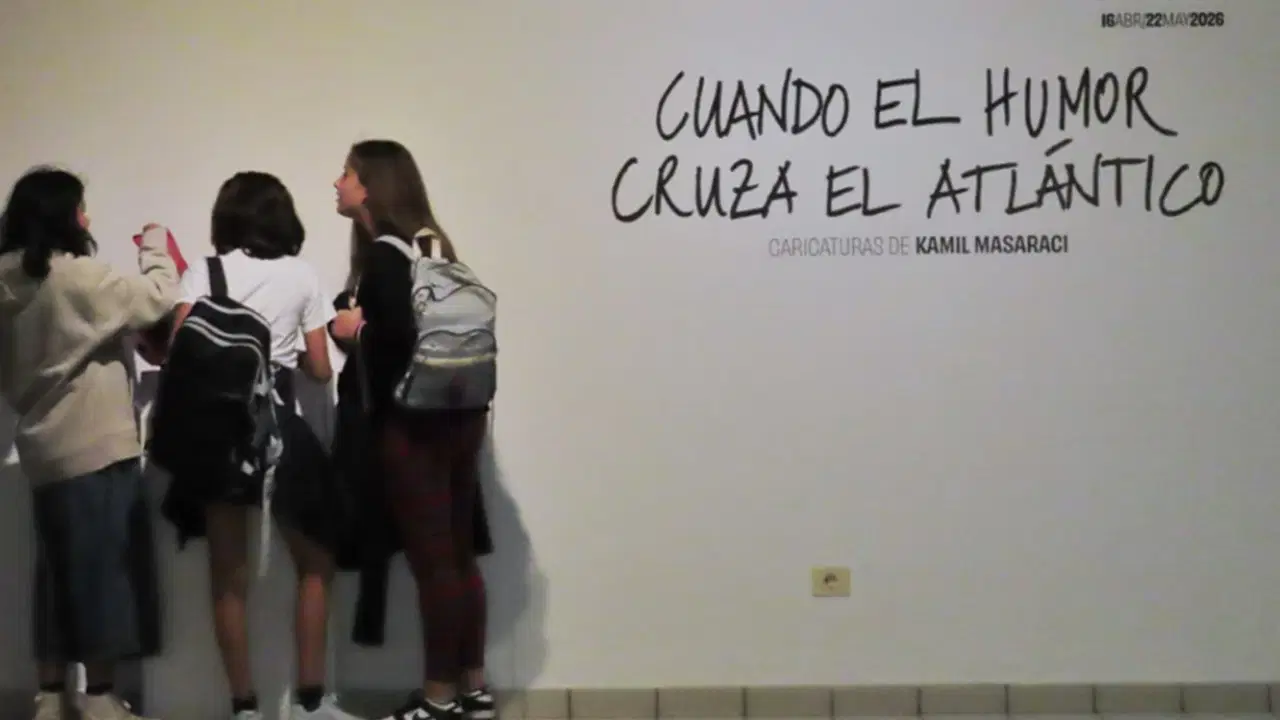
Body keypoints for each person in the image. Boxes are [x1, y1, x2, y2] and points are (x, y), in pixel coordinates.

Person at [150, 171, 360, 720]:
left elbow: (179, 350)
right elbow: (320, 369)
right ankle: (310, 702)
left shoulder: (205, 271)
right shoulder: (301, 274)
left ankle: (243, 705)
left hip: (220, 438)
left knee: (228, 573)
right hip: (280, 428)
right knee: (316, 562)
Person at [0, 166, 177, 720]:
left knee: (55, 575)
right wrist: (155, 245)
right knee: (106, 573)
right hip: (96, 442)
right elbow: (157, 297)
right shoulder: (78, 277)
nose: (88, 218)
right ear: (64, 216)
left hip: (42, 448)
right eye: (81, 208)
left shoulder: (6, 279)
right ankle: (100, 696)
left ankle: (51, 696)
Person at [328, 140, 495, 720]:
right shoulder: (432, 246)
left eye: (347, 173)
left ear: (371, 185)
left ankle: (438, 699)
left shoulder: (383, 258)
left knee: (433, 564)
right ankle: (472, 687)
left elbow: (396, 341)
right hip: (461, 415)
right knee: (458, 556)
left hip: (413, 424)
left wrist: (353, 331)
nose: (337, 182)